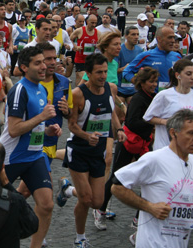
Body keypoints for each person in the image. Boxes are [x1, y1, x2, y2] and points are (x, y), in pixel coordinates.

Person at [112, 109, 193, 247]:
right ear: (173, 133)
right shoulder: (154, 159)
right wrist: (149, 207)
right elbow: (117, 186)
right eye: (191, 133)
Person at [0, 45, 61, 248]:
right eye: (38, 63)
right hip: (11, 157)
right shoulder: (19, 90)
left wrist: (47, 130)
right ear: (24, 67)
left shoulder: (42, 88)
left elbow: (34, 125)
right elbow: (14, 130)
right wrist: (42, 117)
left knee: (46, 204)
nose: (44, 66)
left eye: (44, 61)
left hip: (34, 156)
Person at [63, 53, 125, 248]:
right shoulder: (78, 94)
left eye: (105, 72)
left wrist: (119, 129)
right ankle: (79, 238)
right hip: (79, 150)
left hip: (97, 151)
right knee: (86, 198)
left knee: (97, 202)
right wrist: (86, 136)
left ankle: (67, 189)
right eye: (99, 72)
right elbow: (71, 126)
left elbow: (112, 111)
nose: (103, 76)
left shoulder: (108, 88)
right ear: (88, 73)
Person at [92, 67, 159, 231]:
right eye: (151, 81)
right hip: (129, 141)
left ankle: (139, 218)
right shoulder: (137, 99)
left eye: (156, 81)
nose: (154, 84)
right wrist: (153, 122)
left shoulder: (155, 97)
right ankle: (100, 210)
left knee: (149, 180)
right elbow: (131, 122)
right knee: (116, 177)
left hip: (144, 143)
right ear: (142, 83)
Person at [143, 59, 193, 151]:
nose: (192, 77)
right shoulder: (164, 95)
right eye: (188, 74)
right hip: (165, 147)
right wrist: (165, 122)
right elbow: (147, 117)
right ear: (177, 75)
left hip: (187, 148)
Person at [123, 27, 182, 91]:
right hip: (153, 97)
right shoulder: (146, 56)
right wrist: (141, 84)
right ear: (159, 39)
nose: (173, 41)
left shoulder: (177, 56)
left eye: (173, 37)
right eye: (169, 38)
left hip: (173, 97)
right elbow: (127, 72)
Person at [70, 14, 100, 84]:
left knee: (79, 79)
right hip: (80, 60)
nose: (94, 25)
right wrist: (75, 47)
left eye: (95, 23)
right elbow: (70, 39)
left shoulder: (97, 32)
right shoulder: (80, 31)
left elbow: (101, 44)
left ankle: (77, 92)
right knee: (86, 78)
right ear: (87, 21)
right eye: (92, 23)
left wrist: (98, 46)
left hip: (91, 60)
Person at [116, 26, 143, 105]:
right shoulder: (119, 49)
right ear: (126, 36)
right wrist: (123, 69)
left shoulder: (139, 50)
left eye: (137, 34)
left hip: (134, 89)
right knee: (120, 114)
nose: (136, 37)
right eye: (133, 34)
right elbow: (112, 71)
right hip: (120, 88)